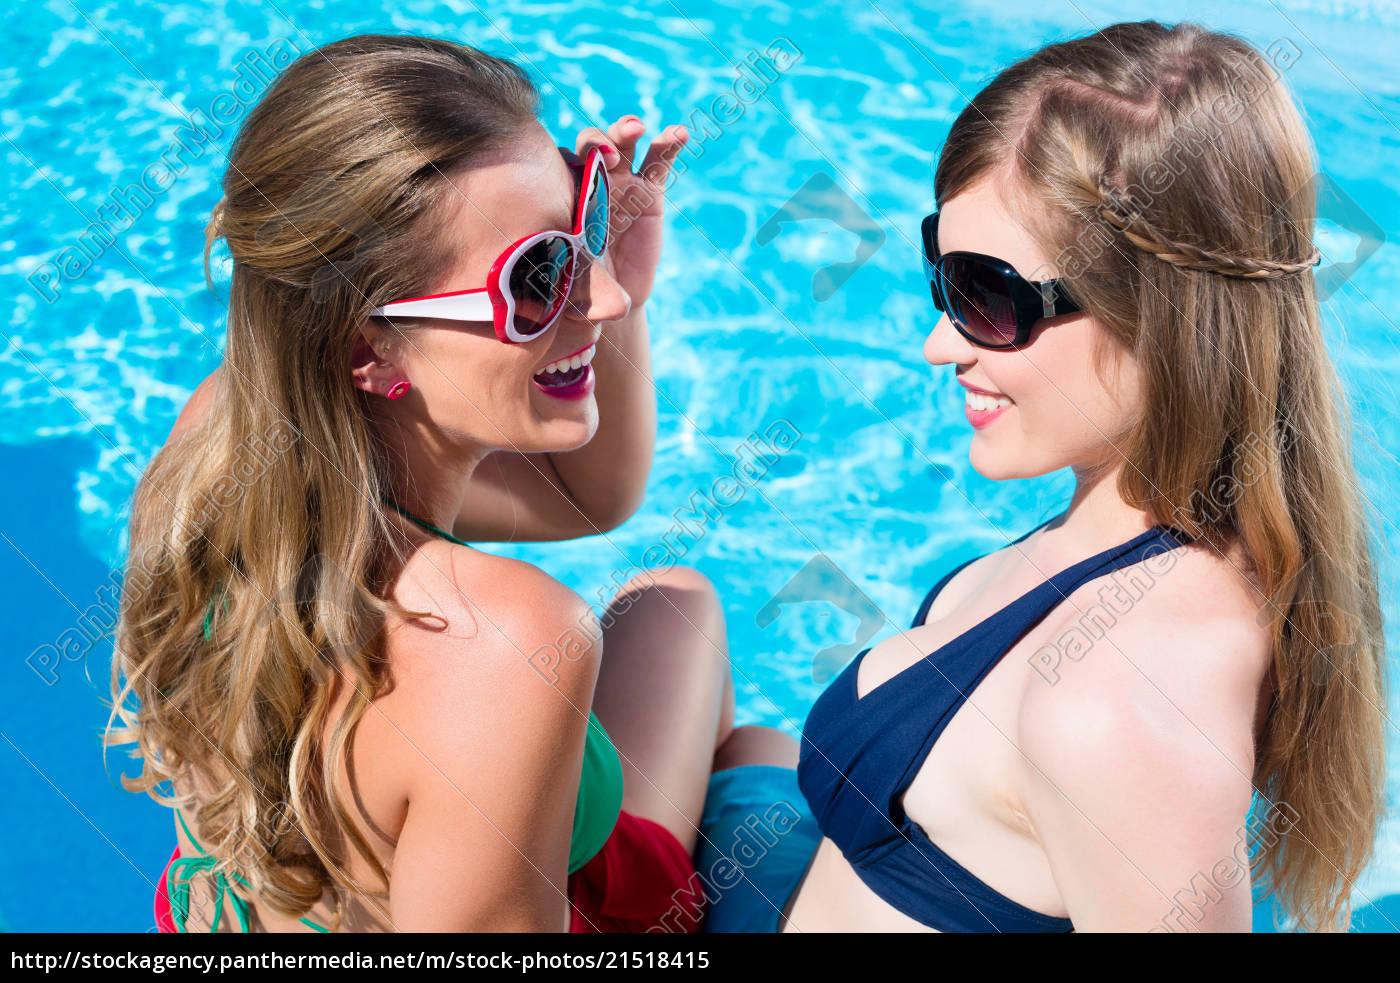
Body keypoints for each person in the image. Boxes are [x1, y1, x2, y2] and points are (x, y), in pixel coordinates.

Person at [710, 20, 1387, 933]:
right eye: (941, 278)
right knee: (723, 710)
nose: (938, 341)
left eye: (988, 297)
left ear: (1165, 314)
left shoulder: (1118, 702)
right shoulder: (1127, 521)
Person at [110, 33, 794, 932]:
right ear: (368, 347)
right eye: (540, 276)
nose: (610, 298)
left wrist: (607, 264)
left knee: (679, 605)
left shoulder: (226, 434)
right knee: (786, 772)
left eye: (577, 227)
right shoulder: (501, 641)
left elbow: (591, 498)